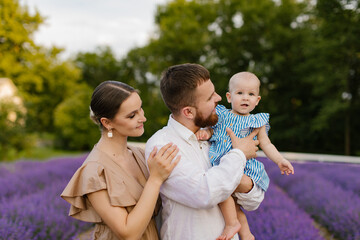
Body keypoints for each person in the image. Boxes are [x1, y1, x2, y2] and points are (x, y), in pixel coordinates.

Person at [145, 63, 261, 240]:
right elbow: (205, 193)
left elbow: (254, 201)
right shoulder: (162, 146)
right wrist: (239, 155)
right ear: (188, 112)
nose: (219, 98)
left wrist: (245, 183)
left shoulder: (217, 134)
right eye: (209, 98)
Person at [61, 81, 180, 240]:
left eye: (140, 109)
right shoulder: (94, 171)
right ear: (107, 123)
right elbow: (128, 233)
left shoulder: (139, 154)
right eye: (132, 115)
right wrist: (155, 179)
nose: (143, 118)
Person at [195, 71, 295, 240]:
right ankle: (246, 234)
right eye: (240, 93)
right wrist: (206, 132)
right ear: (229, 97)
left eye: (251, 94)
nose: (245, 98)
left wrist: (280, 160)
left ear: (257, 100)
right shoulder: (221, 114)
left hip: (244, 168)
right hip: (222, 165)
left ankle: (233, 224)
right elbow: (213, 130)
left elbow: (266, 144)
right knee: (229, 201)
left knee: (225, 193)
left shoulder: (257, 121)